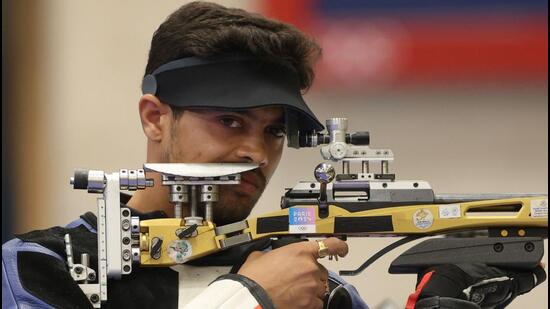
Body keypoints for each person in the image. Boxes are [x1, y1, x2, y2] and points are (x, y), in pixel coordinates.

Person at [2, 2, 545, 309]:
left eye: (275, 131)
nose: (255, 152)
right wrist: (250, 298)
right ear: (154, 116)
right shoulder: (42, 268)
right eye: (230, 121)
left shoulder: (314, 290)